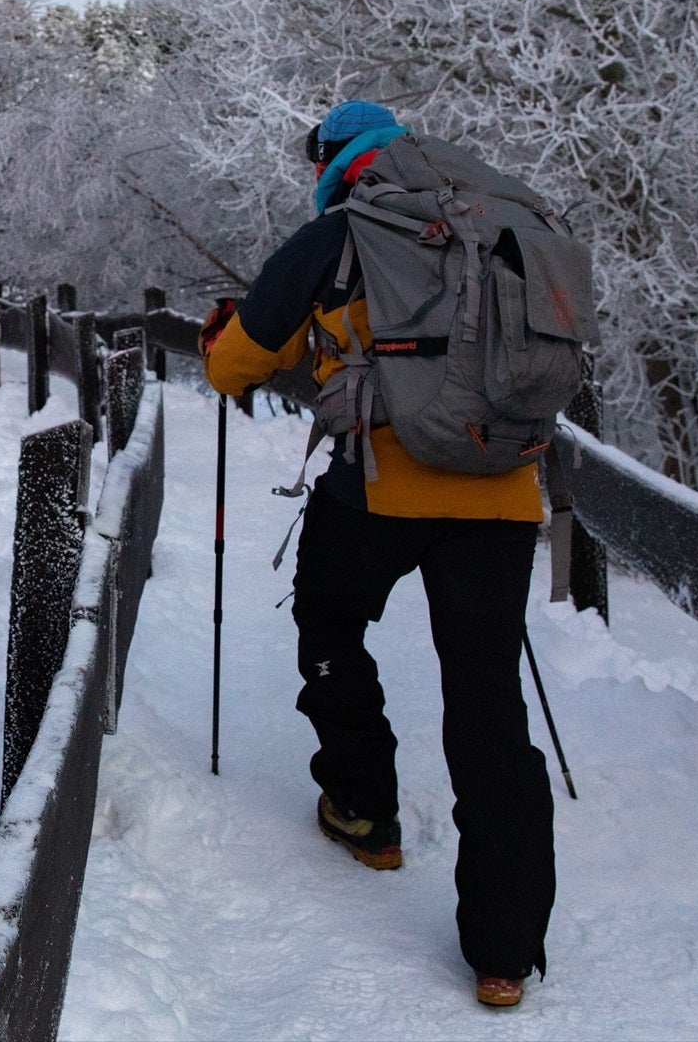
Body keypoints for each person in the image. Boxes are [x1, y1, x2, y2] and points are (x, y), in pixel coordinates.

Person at [199, 100, 555, 1009]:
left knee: (329, 621)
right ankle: (504, 951)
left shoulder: (341, 236)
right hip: (503, 495)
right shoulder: (503, 222)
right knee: (487, 704)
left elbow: (236, 364)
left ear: (333, 163)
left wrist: (225, 339)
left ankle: (364, 809)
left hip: (379, 484)